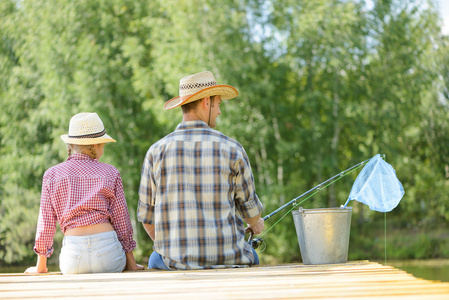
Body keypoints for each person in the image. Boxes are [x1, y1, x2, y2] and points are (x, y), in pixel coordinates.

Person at [138, 71, 264, 270]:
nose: (219, 112)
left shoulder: (156, 151)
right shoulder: (233, 149)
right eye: (219, 104)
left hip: (175, 262)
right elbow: (250, 213)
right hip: (230, 258)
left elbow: (146, 216)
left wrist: (171, 249)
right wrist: (257, 223)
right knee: (254, 257)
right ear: (207, 102)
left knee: (155, 258)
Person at [25, 112, 144, 274]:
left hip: (73, 257)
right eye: (103, 144)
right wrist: (132, 264)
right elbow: (121, 221)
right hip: (108, 252)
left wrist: (40, 267)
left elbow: (45, 225)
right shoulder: (111, 172)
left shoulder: (51, 175)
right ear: (95, 146)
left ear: (71, 145)